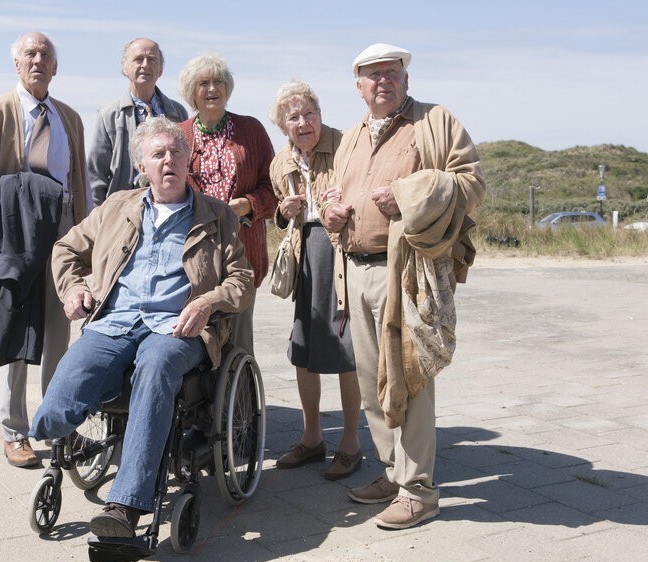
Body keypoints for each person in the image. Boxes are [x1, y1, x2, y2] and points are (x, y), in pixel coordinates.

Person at [29, 117, 254, 538]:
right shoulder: (117, 207)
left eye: (176, 153)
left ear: (189, 161)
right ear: (142, 167)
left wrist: (207, 301)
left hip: (175, 331)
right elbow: (65, 249)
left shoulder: (217, 216)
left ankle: (124, 506)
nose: (169, 161)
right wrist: (74, 289)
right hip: (114, 321)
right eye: (158, 154)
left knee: (154, 370)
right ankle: (69, 439)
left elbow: (241, 280)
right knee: (64, 394)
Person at [320, 43, 485, 528]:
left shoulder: (435, 122)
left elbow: (471, 181)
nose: (382, 82)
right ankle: (393, 474)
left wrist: (407, 194)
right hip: (355, 270)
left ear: (405, 80)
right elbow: (335, 195)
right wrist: (331, 214)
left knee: (409, 377)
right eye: (372, 76)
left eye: (391, 73)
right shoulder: (350, 137)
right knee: (373, 382)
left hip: (407, 272)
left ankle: (419, 490)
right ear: (359, 86)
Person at [0, 32, 90, 468]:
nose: (38, 60)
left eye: (46, 55)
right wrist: (21, 194)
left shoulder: (69, 118)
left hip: (61, 241)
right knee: (15, 335)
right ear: (17, 65)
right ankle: (14, 432)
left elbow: (80, 186)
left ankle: (55, 426)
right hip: (14, 242)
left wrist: (84, 240)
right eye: (30, 54)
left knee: (58, 335)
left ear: (56, 68)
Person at [268, 80, 363, 481]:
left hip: (342, 252)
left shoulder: (345, 145)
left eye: (310, 113)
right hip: (305, 249)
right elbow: (280, 210)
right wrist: (283, 210)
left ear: (321, 114)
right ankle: (312, 439)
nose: (304, 122)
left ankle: (351, 444)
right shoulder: (280, 162)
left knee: (346, 348)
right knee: (303, 346)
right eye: (294, 117)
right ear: (282, 124)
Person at [177, 53, 277, 355]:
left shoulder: (251, 130)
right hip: (194, 252)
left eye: (218, 81)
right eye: (203, 83)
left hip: (241, 250)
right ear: (191, 92)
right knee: (193, 329)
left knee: (239, 338)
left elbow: (274, 188)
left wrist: (248, 204)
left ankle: (242, 400)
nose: (212, 89)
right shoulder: (180, 134)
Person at [87, 38, 188, 205]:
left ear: (161, 69)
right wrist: (98, 219)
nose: (145, 65)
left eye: (152, 60)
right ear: (125, 69)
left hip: (170, 206)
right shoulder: (109, 115)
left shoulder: (177, 113)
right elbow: (96, 176)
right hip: (124, 209)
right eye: (138, 59)